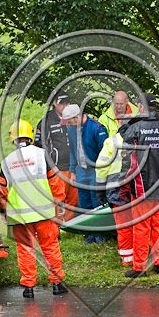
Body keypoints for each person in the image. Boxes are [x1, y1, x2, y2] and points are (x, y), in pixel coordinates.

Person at [0, 119, 68, 299]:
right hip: (44, 212)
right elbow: (55, 182)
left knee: (25, 249)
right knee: (50, 246)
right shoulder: (42, 155)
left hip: (19, 216)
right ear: (30, 135)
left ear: (13, 138)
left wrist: (3, 211)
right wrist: (59, 204)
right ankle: (57, 283)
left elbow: (0, 190)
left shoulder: (7, 162)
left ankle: (28, 287)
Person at [121, 93, 159, 278]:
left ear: (140, 106)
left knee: (141, 227)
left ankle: (139, 267)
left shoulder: (134, 130)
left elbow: (128, 163)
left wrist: (123, 184)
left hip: (141, 187)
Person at [63, 104, 109, 243]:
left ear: (77, 117)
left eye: (70, 121)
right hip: (81, 171)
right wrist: (72, 171)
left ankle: (101, 235)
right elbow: (72, 150)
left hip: (95, 171)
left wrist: (103, 173)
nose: (69, 124)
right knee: (84, 204)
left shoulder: (97, 128)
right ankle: (90, 234)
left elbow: (105, 153)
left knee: (97, 203)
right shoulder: (71, 129)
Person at [95, 113, 134, 266]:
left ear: (119, 124)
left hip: (116, 188)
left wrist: (100, 190)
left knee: (123, 224)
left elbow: (101, 168)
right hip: (136, 187)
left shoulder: (111, 142)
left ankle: (127, 258)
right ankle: (141, 254)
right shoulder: (138, 140)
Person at [35, 91, 78, 220]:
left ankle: (70, 226)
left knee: (73, 199)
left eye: (66, 103)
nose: (64, 106)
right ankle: (56, 228)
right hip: (57, 168)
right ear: (54, 103)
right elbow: (39, 146)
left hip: (74, 168)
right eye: (61, 104)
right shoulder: (46, 121)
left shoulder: (74, 118)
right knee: (57, 200)